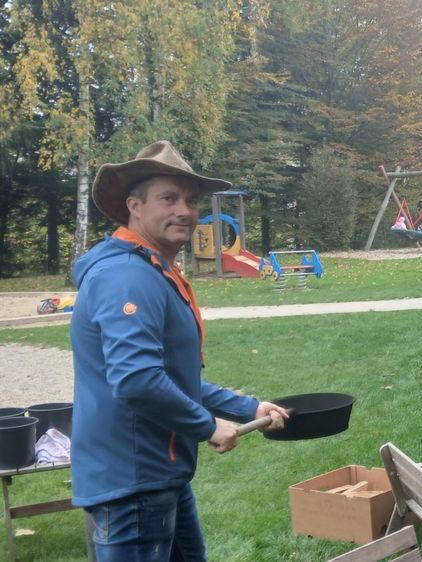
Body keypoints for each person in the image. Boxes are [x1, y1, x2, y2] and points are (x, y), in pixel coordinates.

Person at [70, 141, 290, 560]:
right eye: (169, 198)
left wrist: (248, 408)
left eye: (191, 200)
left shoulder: (152, 269)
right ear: (134, 206)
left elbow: (172, 376)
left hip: (156, 473)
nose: (185, 211)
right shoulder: (127, 277)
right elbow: (137, 380)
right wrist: (206, 426)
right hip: (133, 480)